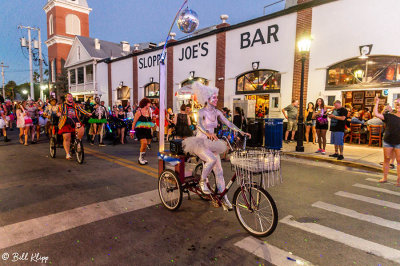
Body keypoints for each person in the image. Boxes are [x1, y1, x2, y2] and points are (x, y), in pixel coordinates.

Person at [182, 82, 250, 211]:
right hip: (200, 142)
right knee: (211, 160)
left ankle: (224, 198)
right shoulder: (201, 111)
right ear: (207, 99)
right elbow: (199, 126)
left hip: (212, 142)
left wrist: (241, 131)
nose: (216, 99)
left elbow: (228, 123)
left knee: (219, 171)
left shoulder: (217, 112)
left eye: (216, 97)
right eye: (214, 97)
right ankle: (202, 181)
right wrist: (207, 132)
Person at [373, 97, 400, 186]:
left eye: (399, 103)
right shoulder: (389, 115)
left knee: (399, 161)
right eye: (396, 103)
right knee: (386, 159)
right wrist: (376, 102)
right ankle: (385, 177)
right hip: (388, 140)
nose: (398, 105)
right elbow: (376, 114)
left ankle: (398, 181)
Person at [57, 93, 91, 160]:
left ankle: (77, 144)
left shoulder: (75, 105)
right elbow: (58, 112)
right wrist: (59, 114)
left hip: (75, 121)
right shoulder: (62, 106)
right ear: (66, 98)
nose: (71, 98)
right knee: (67, 137)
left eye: (71, 97)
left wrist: (87, 113)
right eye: (69, 97)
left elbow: (82, 110)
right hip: (65, 122)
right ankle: (67, 153)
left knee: (81, 130)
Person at [130, 98, 154, 165]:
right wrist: (132, 132)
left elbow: (150, 121)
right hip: (140, 130)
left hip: (147, 130)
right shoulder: (139, 112)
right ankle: (140, 158)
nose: (150, 104)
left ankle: (142, 158)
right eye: (149, 103)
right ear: (145, 104)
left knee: (145, 144)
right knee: (144, 143)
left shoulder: (149, 111)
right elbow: (134, 122)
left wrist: (151, 129)